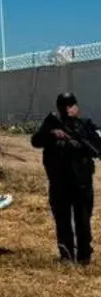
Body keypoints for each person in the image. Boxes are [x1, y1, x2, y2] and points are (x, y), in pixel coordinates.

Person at [31, 92, 101, 264]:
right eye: (64, 106)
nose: (67, 109)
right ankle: (66, 255)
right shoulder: (52, 123)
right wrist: (52, 134)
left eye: (70, 106)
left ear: (77, 107)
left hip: (81, 182)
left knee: (83, 221)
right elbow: (36, 141)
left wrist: (79, 145)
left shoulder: (85, 125)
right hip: (59, 181)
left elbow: (97, 148)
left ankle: (84, 256)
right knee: (62, 221)